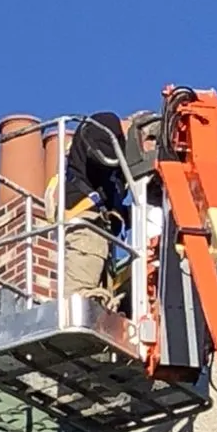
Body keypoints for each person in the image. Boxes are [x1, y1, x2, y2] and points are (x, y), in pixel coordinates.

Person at [61, 111, 129, 307]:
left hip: (100, 227)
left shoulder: (116, 177)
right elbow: (100, 158)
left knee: (99, 296)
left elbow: (113, 204)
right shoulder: (106, 124)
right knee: (80, 295)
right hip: (86, 218)